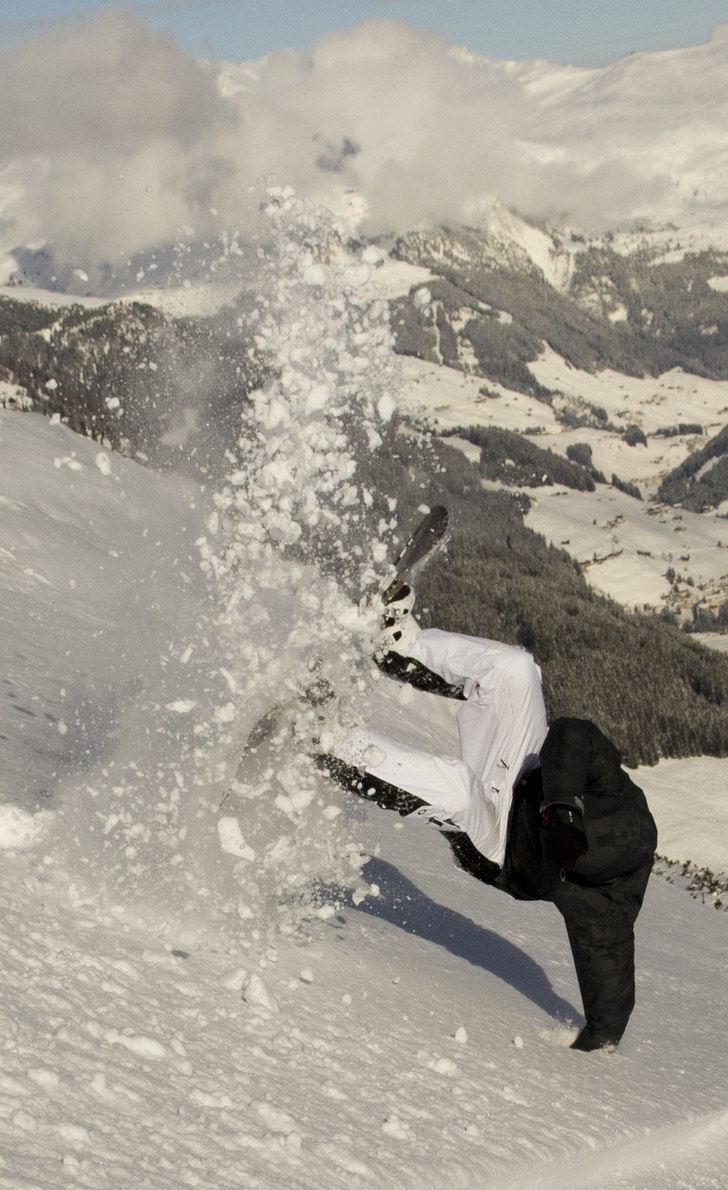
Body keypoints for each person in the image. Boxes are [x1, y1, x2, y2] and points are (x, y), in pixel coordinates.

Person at [317, 592, 658, 1052]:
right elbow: (573, 734)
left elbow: (611, 980)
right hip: (528, 776)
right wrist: (562, 807)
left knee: (457, 788)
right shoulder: (617, 793)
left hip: (499, 848)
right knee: (515, 669)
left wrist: (601, 1039)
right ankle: (399, 644)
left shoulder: (609, 907)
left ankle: (328, 741)